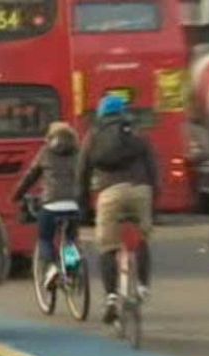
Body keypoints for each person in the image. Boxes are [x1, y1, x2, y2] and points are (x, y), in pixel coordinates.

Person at [77, 96, 158, 323]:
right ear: (123, 112)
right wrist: (154, 202)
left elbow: (82, 172)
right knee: (141, 239)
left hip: (110, 193)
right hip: (140, 190)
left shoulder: (94, 135)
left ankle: (112, 297)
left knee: (107, 246)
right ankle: (142, 287)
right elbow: (153, 169)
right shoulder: (137, 133)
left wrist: (83, 206)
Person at [12, 121, 81, 287]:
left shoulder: (46, 152)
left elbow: (31, 176)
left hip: (51, 204)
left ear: (50, 136)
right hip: (73, 204)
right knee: (70, 240)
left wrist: (17, 195)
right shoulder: (78, 153)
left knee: (45, 238)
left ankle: (51, 268)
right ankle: (72, 271)